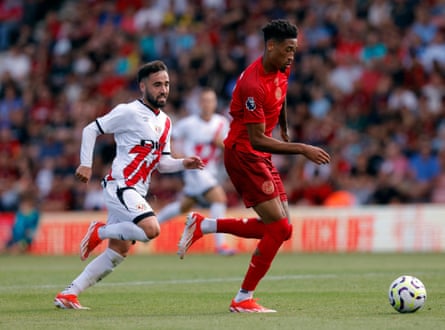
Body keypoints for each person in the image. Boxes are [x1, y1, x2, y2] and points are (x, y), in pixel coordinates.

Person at [177, 19, 330, 313]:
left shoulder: (282, 67)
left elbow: (282, 94)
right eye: (287, 50)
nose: (291, 56)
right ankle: (243, 297)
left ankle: (205, 225)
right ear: (270, 46)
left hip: (259, 155)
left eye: (294, 50)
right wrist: (301, 148)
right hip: (244, 155)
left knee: (282, 230)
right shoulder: (252, 85)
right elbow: (257, 140)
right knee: (279, 228)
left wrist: (284, 127)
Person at [54, 60, 204, 310]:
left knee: (117, 253)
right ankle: (98, 232)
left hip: (136, 190)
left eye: (166, 84)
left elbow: (163, 163)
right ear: (142, 87)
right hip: (121, 185)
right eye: (157, 84)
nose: (163, 89)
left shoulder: (165, 121)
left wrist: (183, 163)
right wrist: (85, 164)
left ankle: (69, 294)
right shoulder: (128, 112)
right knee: (151, 230)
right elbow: (91, 129)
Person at [156, 87, 235, 255]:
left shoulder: (221, 122)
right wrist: (175, 155)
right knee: (219, 198)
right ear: (199, 103)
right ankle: (220, 245)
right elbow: (169, 138)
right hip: (195, 170)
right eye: (204, 101)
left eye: (211, 101)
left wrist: (219, 142)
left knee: (184, 206)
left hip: (212, 170)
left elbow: (228, 146)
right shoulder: (188, 123)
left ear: (215, 103)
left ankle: (149, 226)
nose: (207, 104)